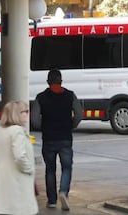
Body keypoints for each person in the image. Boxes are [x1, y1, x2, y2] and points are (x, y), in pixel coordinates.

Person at [34, 69, 83, 211]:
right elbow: (79, 115)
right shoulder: (70, 95)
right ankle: (63, 192)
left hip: (48, 139)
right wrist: (70, 125)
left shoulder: (41, 97)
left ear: (48, 81)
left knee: (50, 169)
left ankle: (52, 200)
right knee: (67, 167)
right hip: (65, 138)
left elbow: (35, 120)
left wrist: (43, 127)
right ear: (61, 80)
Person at [0, 101, 39, 215]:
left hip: (3, 178)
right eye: (24, 112)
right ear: (15, 114)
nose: (27, 114)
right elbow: (20, 155)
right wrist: (29, 169)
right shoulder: (17, 131)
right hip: (18, 181)